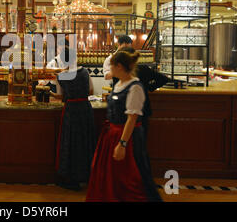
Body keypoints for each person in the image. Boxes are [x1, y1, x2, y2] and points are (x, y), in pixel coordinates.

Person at [86, 51, 162, 202]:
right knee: (111, 178)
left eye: (111, 67)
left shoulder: (135, 87)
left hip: (128, 137)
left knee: (131, 178)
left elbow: (132, 119)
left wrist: (122, 144)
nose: (109, 71)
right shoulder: (119, 84)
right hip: (112, 135)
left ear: (119, 66)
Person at [51, 45, 96, 191]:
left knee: (70, 143)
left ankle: (71, 178)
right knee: (85, 140)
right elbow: (91, 91)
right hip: (85, 108)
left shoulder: (61, 76)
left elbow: (60, 96)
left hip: (71, 110)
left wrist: (48, 93)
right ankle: (87, 175)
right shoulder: (85, 72)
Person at [119, 47, 170, 138]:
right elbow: (163, 79)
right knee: (140, 140)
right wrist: (149, 87)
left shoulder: (120, 72)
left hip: (125, 111)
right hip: (142, 110)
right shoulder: (143, 69)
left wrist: (149, 87)